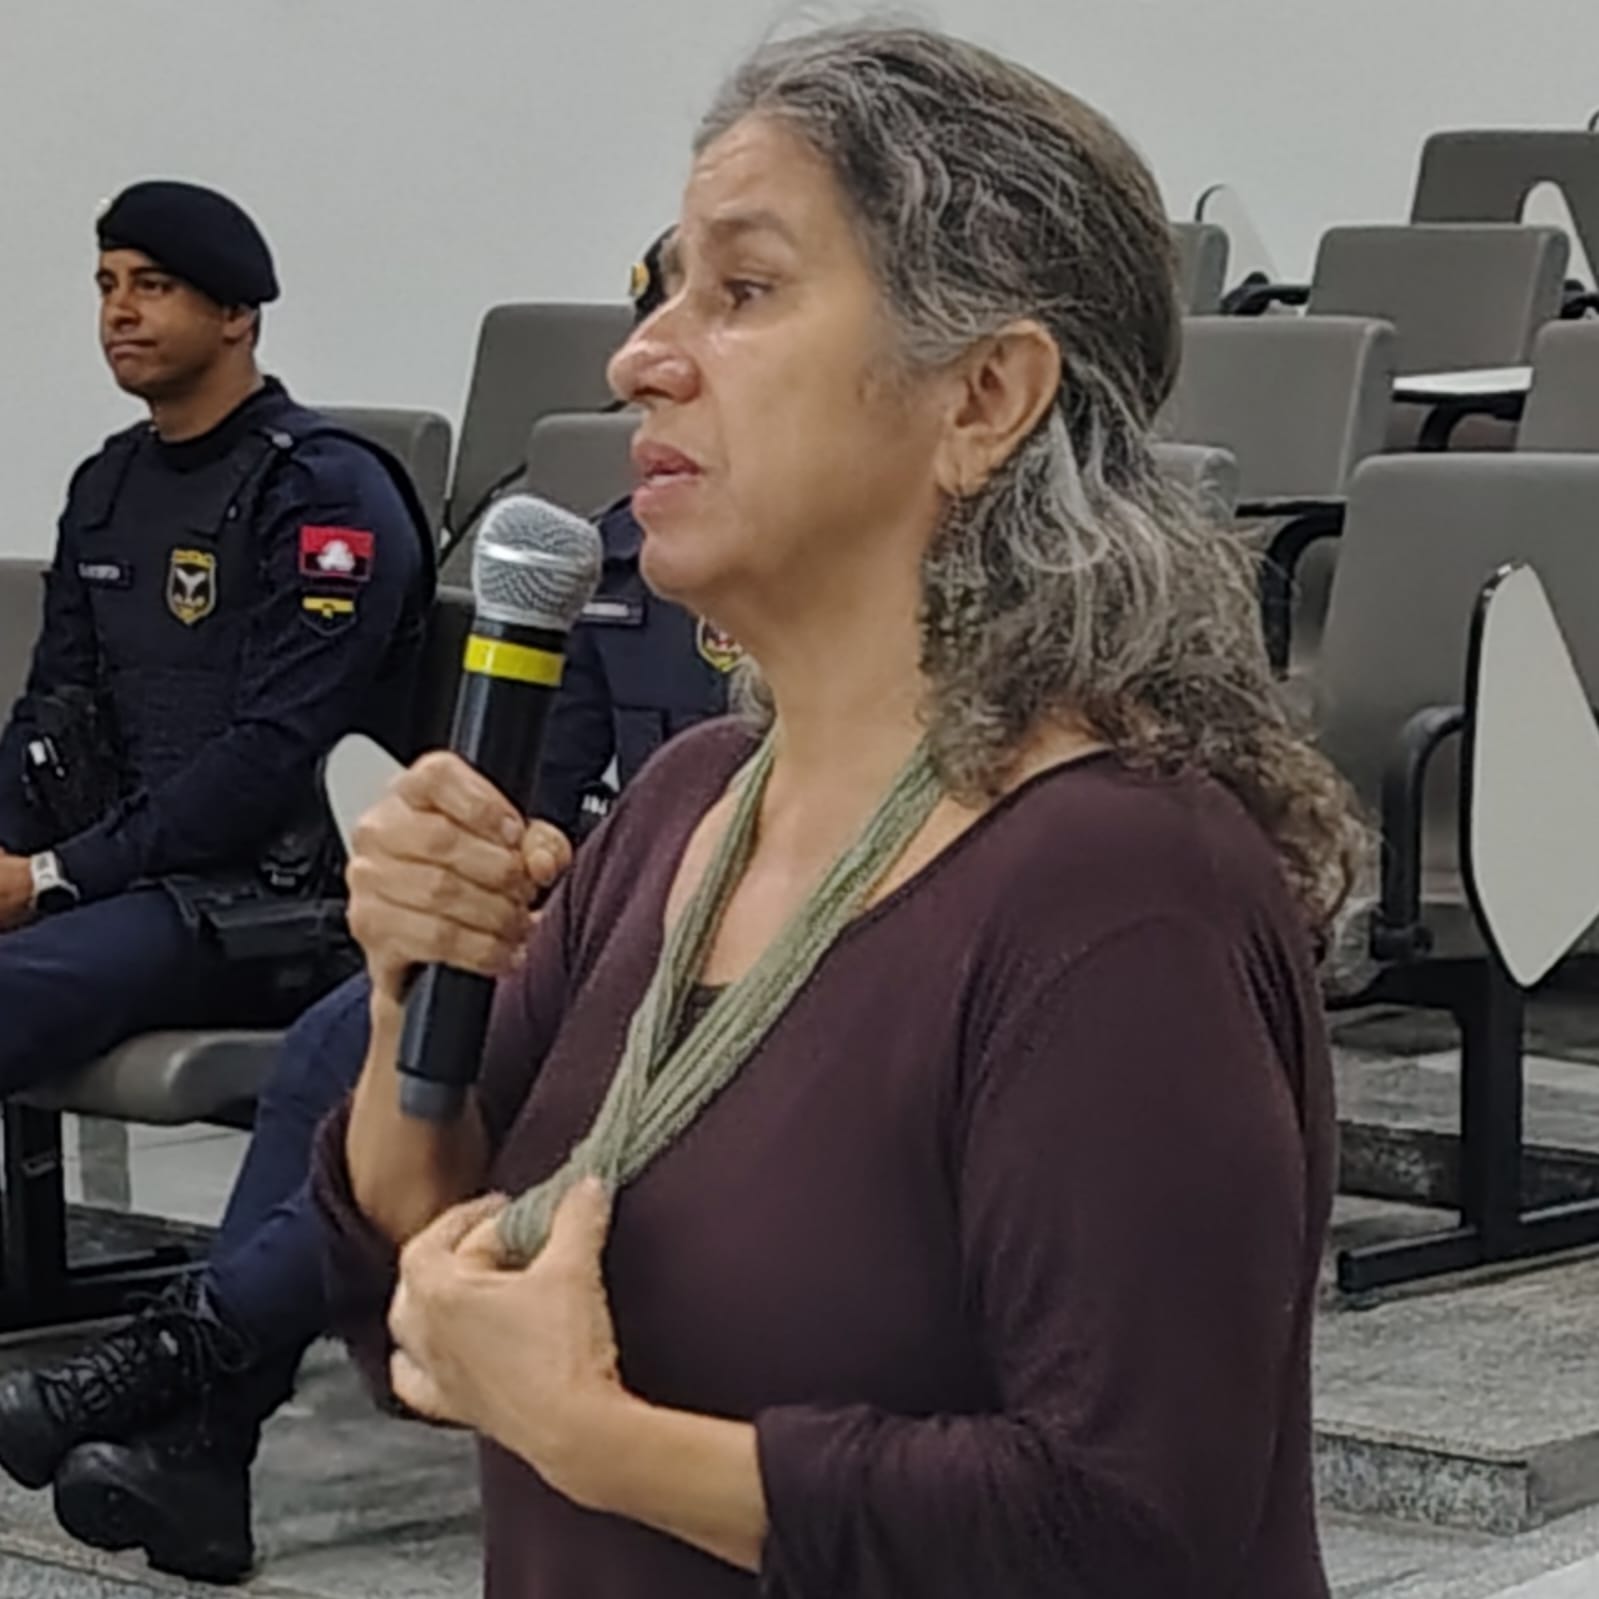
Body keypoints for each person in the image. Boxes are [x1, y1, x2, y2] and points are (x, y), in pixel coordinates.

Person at [312, 24, 1362, 1599]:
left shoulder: (1117, 886)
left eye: (741, 290)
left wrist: (601, 1441)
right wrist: (415, 991)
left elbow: (1123, 1526)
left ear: (983, 394)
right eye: (660, 288)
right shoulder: (679, 812)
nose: (639, 357)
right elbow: (426, 1277)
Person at [0, 240, 737, 1585]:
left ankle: (176, 1366)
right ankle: (205, 1447)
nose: (649, 365)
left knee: (427, 1054)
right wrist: (521, 868)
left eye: (734, 306)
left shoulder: (838, 572)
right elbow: (548, 794)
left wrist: (56, 874)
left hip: (723, 966)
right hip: (590, 936)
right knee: (338, 1052)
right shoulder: (610, 563)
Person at [0, 180, 432, 1096]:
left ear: (237, 314)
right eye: (107, 285)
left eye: (152, 285)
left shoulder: (323, 492)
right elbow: (52, 709)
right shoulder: (108, 484)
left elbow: (277, 750)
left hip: (268, 902)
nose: (119, 311)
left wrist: (51, 875)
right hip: (121, 876)